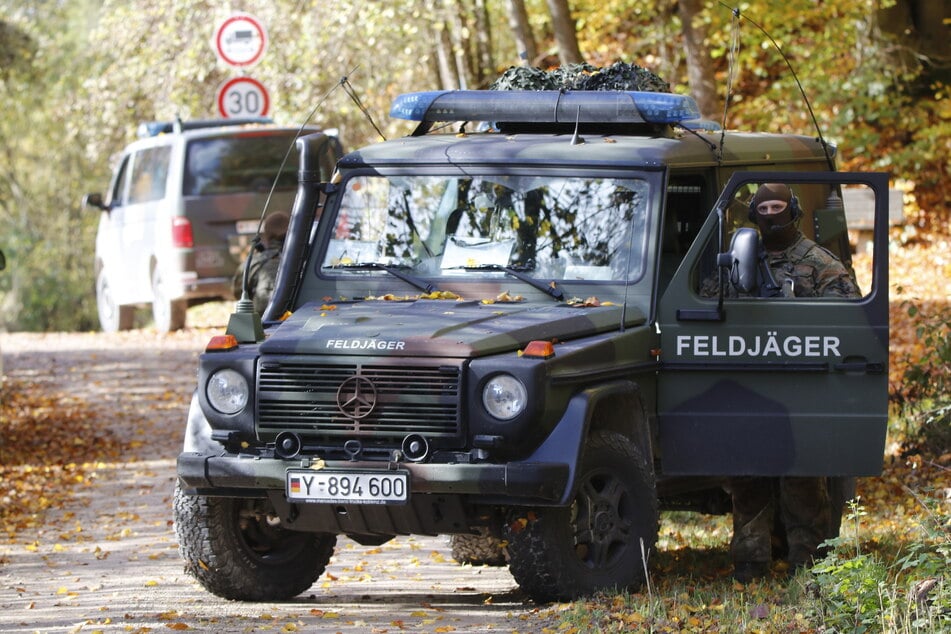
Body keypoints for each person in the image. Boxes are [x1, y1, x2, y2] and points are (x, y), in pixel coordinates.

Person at [724, 183, 861, 582]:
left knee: (801, 475)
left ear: (794, 210)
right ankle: (750, 562)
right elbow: (713, 301)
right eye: (763, 207)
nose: (771, 214)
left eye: (778, 206)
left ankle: (808, 563)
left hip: (800, 382)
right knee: (747, 475)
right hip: (749, 379)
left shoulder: (819, 261)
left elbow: (847, 313)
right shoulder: (739, 260)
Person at [233, 211, 290, 314]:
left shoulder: (253, 263)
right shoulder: (305, 259)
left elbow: (239, 293)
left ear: (266, 235)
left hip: (263, 325)